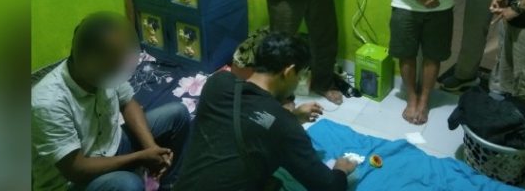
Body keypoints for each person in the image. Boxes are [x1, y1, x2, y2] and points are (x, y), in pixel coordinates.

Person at [173, 33, 357, 191]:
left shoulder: (217, 83)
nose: (297, 83)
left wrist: (290, 117)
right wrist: (341, 169)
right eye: (300, 76)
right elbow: (329, 187)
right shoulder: (286, 128)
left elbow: (252, 119)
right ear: (288, 71)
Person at [32, 12, 191, 191]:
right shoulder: (47, 103)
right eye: (113, 63)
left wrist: (152, 148)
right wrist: (140, 157)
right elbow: (76, 170)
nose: (119, 66)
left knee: (178, 114)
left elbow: (128, 103)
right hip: (74, 182)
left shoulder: (107, 67)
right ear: (89, 60)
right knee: (128, 184)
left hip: (111, 145)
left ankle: (168, 184)